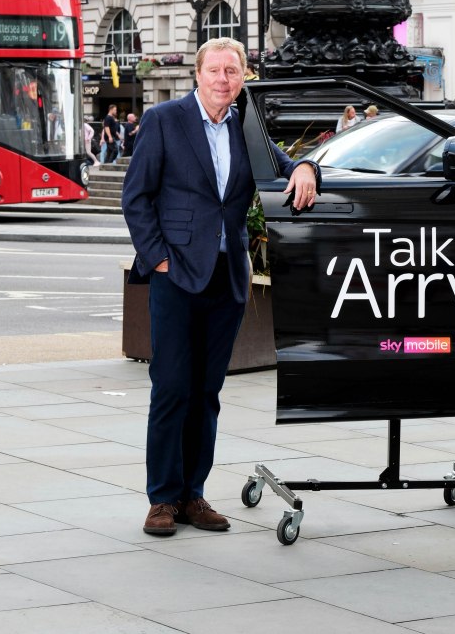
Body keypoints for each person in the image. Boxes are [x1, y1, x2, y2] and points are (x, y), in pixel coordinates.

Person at [122, 37, 320, 538]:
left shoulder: (245, 126)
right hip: (176, 277)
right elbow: (136, 197)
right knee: (171, 388)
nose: (223, 80)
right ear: (198, 73)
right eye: (215, 70)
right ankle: (162, 499)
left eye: (232, 71)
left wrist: (305, 167)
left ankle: (193, 494)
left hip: (226, 279)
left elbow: (281, 164)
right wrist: (159, 258)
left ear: (242, 77)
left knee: (207, 392)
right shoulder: (165, 120)